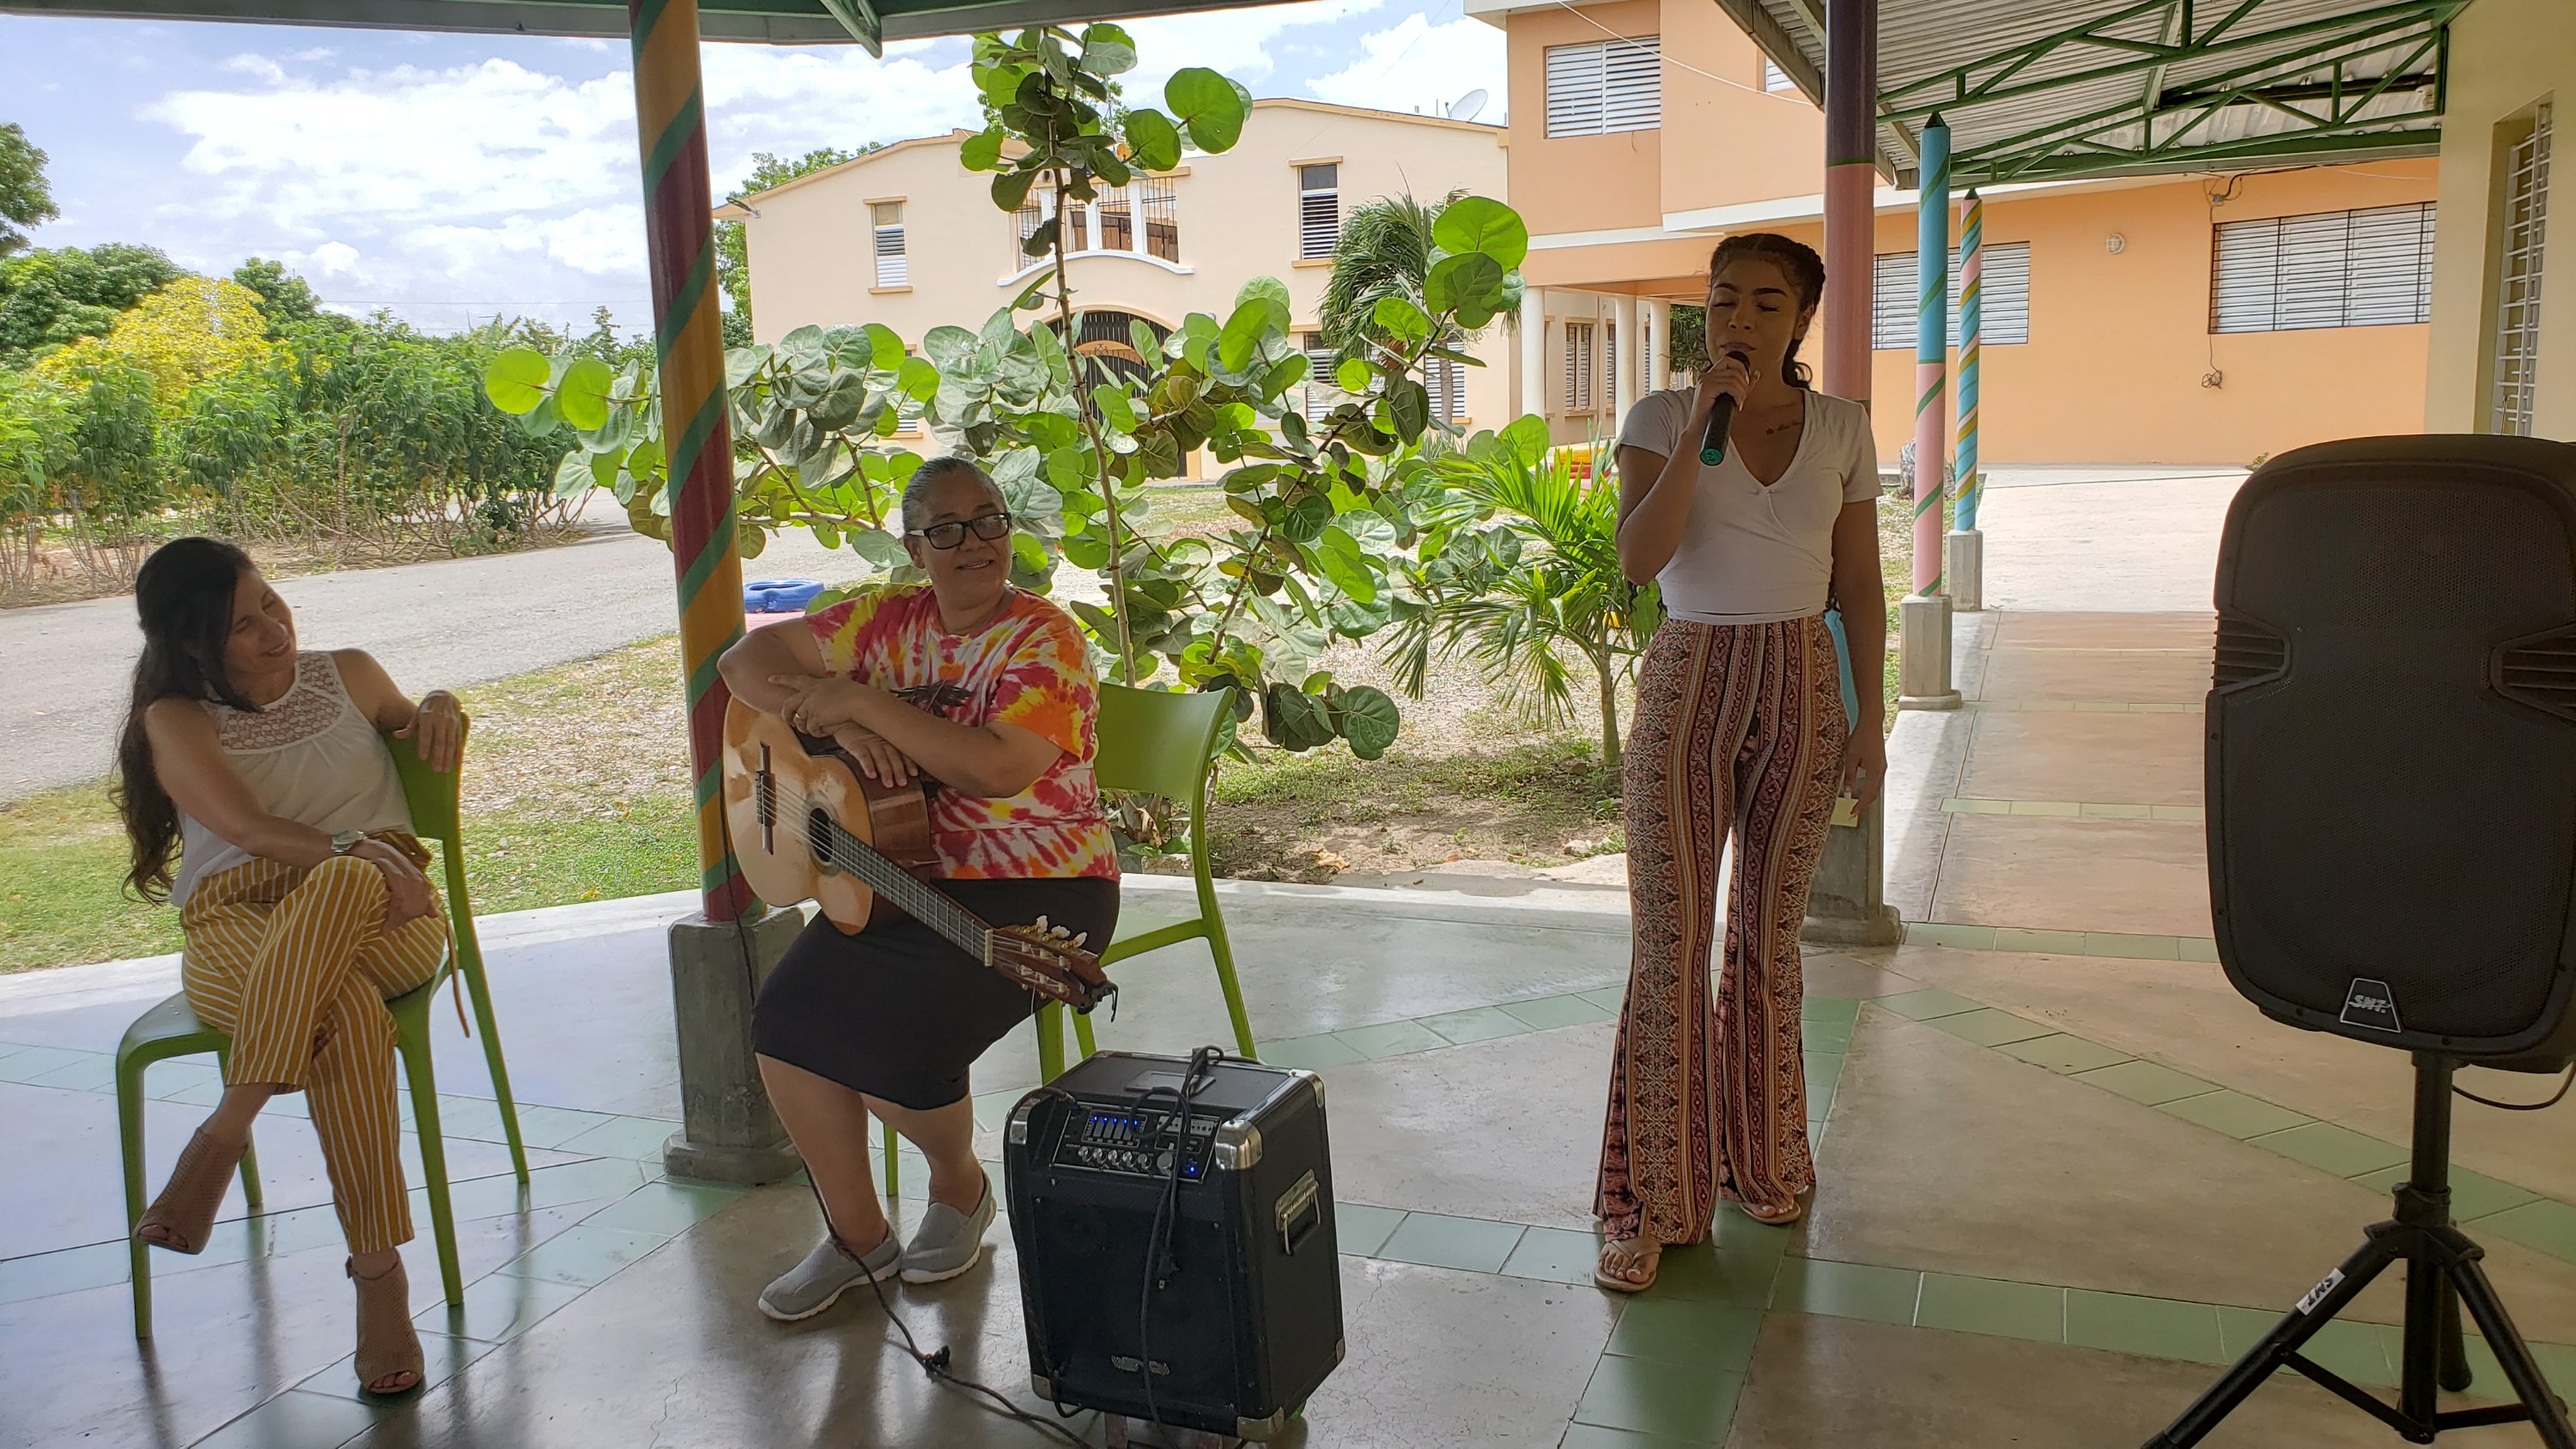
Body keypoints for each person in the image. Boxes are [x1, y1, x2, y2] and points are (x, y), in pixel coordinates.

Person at [716, 456, 1120, 1320]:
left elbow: (997, 768)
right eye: (946, 529)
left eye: (989, 520)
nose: (974, 542)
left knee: (889, 1044)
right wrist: (820, 723)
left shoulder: (1045, 638)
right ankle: (858, 1238)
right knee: (785, 1024)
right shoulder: (884, 618)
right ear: (914, 548)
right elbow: (745, 660)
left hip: (1039, 889)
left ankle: (957, 1184)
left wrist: (862, 705)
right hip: (892, 872)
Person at [1592, 233, 1887, 1292]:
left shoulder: (1843, 427)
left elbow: (1861, 583)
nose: (1740, 320)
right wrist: (1701, 425)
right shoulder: (1660, 418)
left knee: (1767, 939)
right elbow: (1640, 559)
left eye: (1766, 303)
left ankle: (1762, 1161)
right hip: (1687, 679)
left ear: (1801, 319)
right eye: (1724, 300)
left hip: (1801, 680)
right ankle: (1651, 1200)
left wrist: (1871, 719)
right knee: (1669, 941)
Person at [115, 537, 469, 1393]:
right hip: (236, 918)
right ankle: (380, 1279)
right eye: (242, 625)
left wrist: (440, 700)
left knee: (348, 878)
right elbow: (247, 830)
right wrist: (354, 847)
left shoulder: (349, 673)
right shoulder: (175, 718)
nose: (274, 629)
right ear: (192, 643)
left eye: (270, 602)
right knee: (343, 1012)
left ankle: (223, 1132)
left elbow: (414, 723)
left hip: (389, 912)